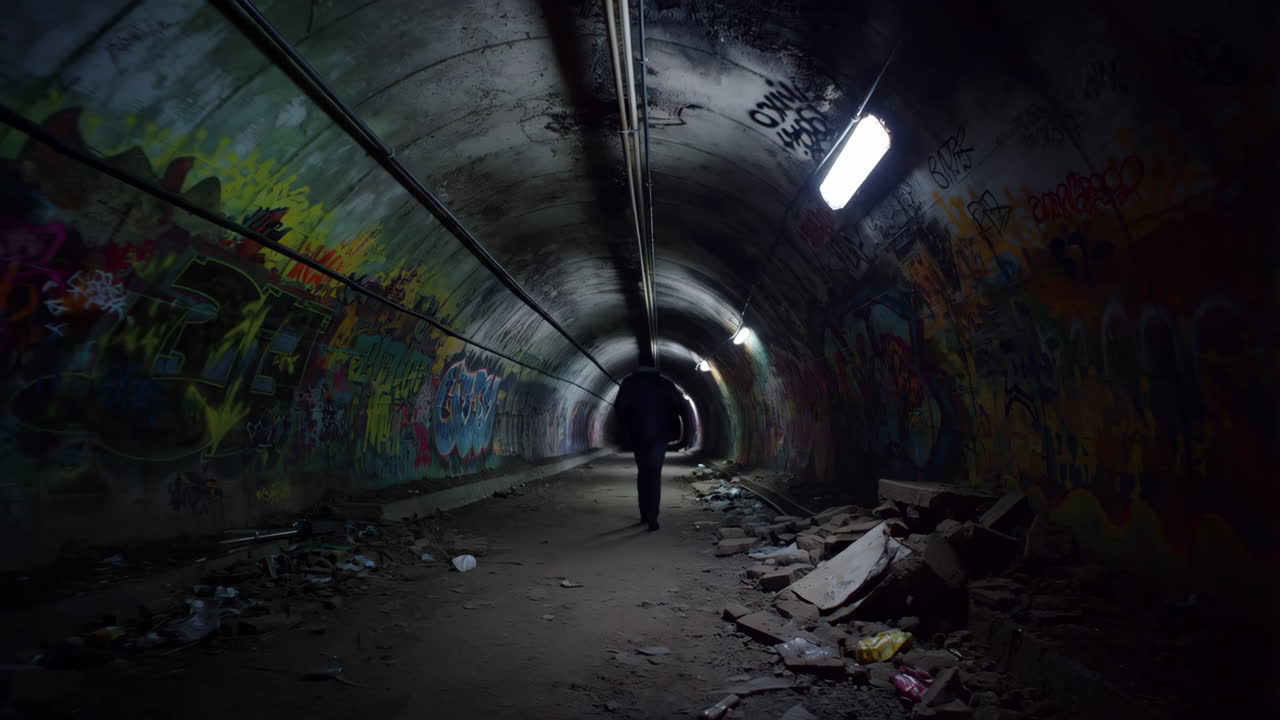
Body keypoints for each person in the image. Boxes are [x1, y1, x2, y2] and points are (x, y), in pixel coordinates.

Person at [613, 365, 693, 531]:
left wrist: (625, 430)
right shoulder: (665, 384)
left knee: (643, 472)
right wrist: (683, 435)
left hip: (637, 435)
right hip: (660, 436)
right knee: (654, 473)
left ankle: (644, 514)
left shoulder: (629, 383)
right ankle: (653, 517)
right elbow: (680, 408)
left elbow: (619, 408)